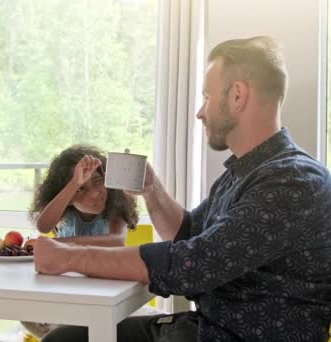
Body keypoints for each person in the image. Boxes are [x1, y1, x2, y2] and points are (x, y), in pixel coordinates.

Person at [35, 36, 331, 342]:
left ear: (238, 96)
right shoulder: (243, 174)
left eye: (206, 97)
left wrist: (68, 256)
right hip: (205, 328)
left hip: (234, 336)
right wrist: (153, 191)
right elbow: (190, 233)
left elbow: (193, 264)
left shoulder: (291, 182)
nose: (200, 112)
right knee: (62, 340)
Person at [23, 145, 140, 338]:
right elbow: (43, 226)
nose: (94, 193)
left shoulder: (114, 209)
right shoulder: (66, 212)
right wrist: (73, 184)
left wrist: (66, 243)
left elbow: (117, 241)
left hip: (103, 292)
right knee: (25, 312)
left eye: (98, 182)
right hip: (70, 291)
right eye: (81, 189)